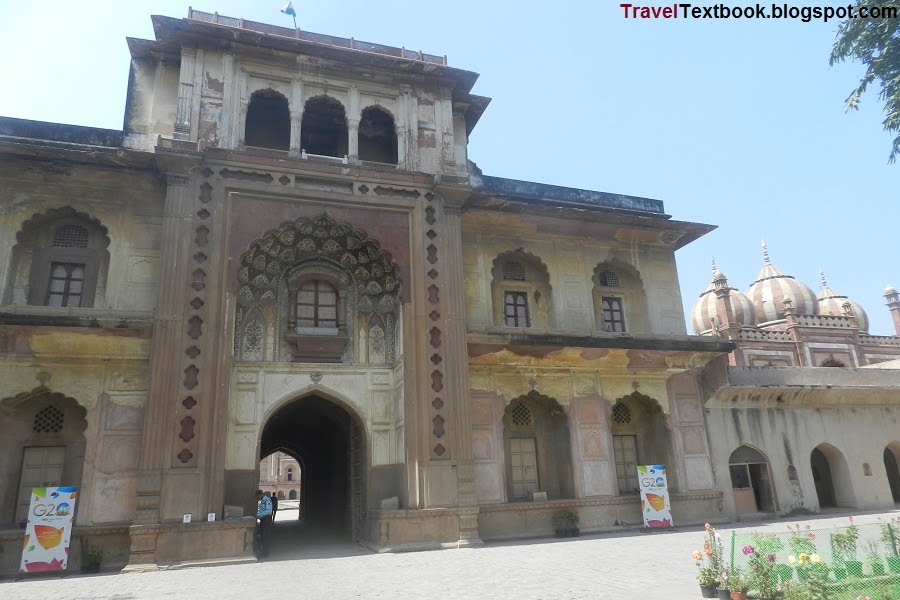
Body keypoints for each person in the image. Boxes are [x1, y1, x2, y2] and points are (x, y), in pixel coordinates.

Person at [256, 489, 273, 558]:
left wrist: (258, 515)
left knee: (265, 537)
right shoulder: (263, 501)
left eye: (258, 496)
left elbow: (268, 511)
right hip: (263, 520)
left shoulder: (267, 500)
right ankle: (263, 552)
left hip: (267, 520)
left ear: (261, 495)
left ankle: (265, 553)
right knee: (262, 536)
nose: (258, 498)